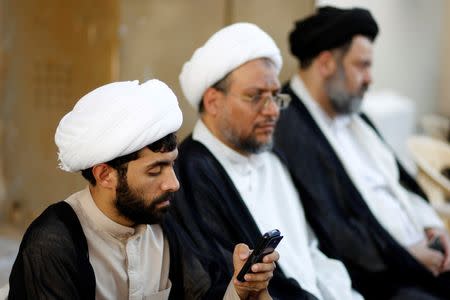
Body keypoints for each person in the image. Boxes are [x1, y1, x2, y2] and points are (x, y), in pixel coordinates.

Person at [7, 79, 279, 299]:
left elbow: (202, 293)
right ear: (105, 175)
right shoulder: (54, 242)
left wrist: (241, 290)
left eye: (171, 166)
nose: (174, 183)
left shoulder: (161, 226)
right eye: (154, 170)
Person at [173, 22, 363, 300]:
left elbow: (310, 251)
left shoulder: (272, 160)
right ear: (213, 101)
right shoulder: (191, 175)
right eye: (255, 97)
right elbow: (214, 282)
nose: (273, 110)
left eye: (275, 96)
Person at [274, 6, 450, 300]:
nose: (369, 78)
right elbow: (335, 232)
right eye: (361, 65)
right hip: (383, 279)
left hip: (421, 250)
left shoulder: (354, 115)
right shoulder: (290, 126)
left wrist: (432, 226)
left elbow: (399, 182)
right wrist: (407, 256)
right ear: (327, 63)